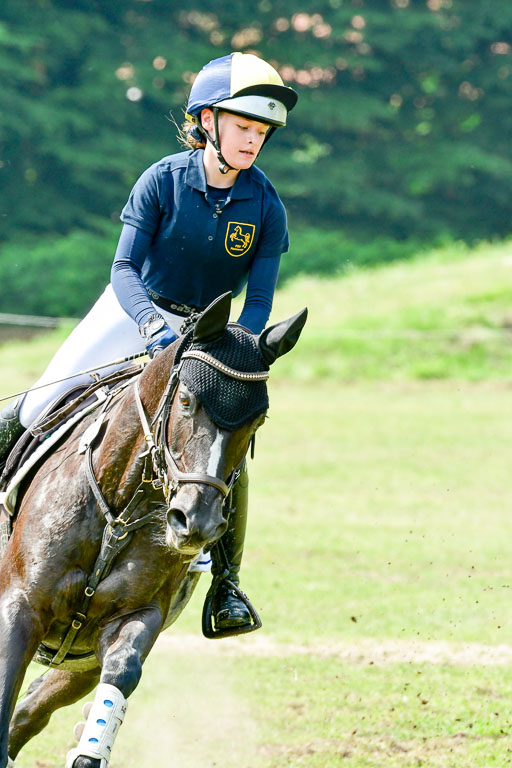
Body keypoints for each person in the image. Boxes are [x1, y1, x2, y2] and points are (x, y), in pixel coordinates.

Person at [0, 51, 298, 631]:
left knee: (224, 451)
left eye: (261, 132)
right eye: (243, 126)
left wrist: (237, 344)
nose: (253, 140)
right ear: (208, 121)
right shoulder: (162, 180)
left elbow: (260, 300)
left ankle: (226, 586)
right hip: (133, 311)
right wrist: (153, 328)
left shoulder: (266, 205)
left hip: (207, 332)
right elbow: (124, 269)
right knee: (36, 407)